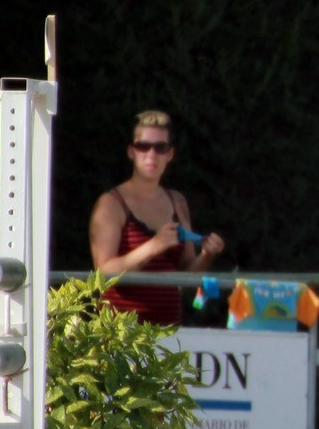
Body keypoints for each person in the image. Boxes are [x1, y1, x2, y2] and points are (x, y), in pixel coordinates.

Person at [89, 110, 225, 327]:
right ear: (131, 152)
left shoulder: (177, 202)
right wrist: (153, 246)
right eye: (143, 146)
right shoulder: (111, 203)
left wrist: (207, 255)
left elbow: (186, 274)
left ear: (169, 154)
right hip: (120, 335)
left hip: (168, 334)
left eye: (160, 148)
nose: (151, 155)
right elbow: (103, 274)